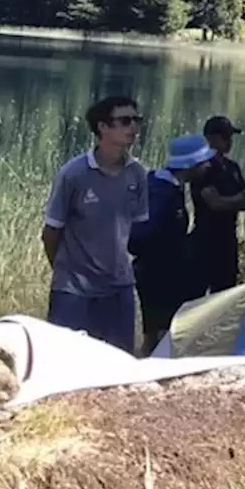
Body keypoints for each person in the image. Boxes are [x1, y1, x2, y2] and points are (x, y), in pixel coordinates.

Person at [41, 96, 149, 354]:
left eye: (136, 120)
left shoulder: (138, 174)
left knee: (120, 362)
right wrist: (66, 271)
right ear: (103, 127)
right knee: (62, 359)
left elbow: (135, 229)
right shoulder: (73, 174)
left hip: (119, 287)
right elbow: (50, 233)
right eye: (124, 121)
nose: (133, 127)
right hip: (74, 289)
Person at [132, 135, 212, 355]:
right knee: (159, 333)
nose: (208, 165)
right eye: (204, 161)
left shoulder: (166, 185)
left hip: (159, 272)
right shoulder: (162, 193)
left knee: (159, 331)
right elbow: (143, 235)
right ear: (190, 165)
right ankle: (150, 374)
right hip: (157, 275)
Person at [191, 116, 245, 294]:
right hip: (205, 241)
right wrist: (236, 200)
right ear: (212, 138)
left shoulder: (232, 167)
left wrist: (227, 201)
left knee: (225, 293)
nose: (230, 142)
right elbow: (214, 204)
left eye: (230, 137)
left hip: (228, 242)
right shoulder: (202, 169)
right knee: (198, 297)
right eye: (226, 136)